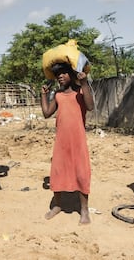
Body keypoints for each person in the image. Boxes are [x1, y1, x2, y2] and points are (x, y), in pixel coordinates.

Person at [41, 62, 94, 225]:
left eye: (64, 73)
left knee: (81, 172)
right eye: (58, 74)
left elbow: (90, 106)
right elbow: (46, 113)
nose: (60, 77)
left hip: (78, 141)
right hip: (61, 142)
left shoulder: (80, 92)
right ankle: (57, 205)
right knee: (57, 171)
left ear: (72, 75)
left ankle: (84, 210)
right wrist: (43, 95)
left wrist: (84, 83)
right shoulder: (57, 95)